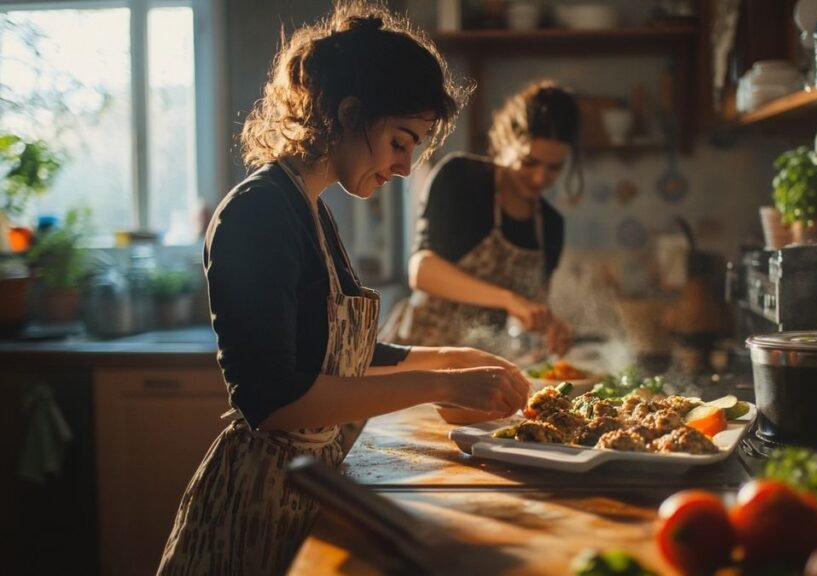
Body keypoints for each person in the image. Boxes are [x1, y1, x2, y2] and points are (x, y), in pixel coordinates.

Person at [158, 4, 530, 575]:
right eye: (401, 141)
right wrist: (438, 383)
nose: (405, 166)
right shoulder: (258, 213)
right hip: (256, 503)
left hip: (306, 490)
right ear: (349, 114)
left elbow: (337, 356)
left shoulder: (311, 208)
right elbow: (274, 401)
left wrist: (453, 359)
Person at [381, 80, 582, 360]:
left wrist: (547, 324)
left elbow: (529, 309)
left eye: (554, 168)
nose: (540, 178)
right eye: (529, 162)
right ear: (507, 142)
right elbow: (423, 272)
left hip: (483, 363)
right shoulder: (462, 178)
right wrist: (509, 300)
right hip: (419, 352)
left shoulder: (550, 225)